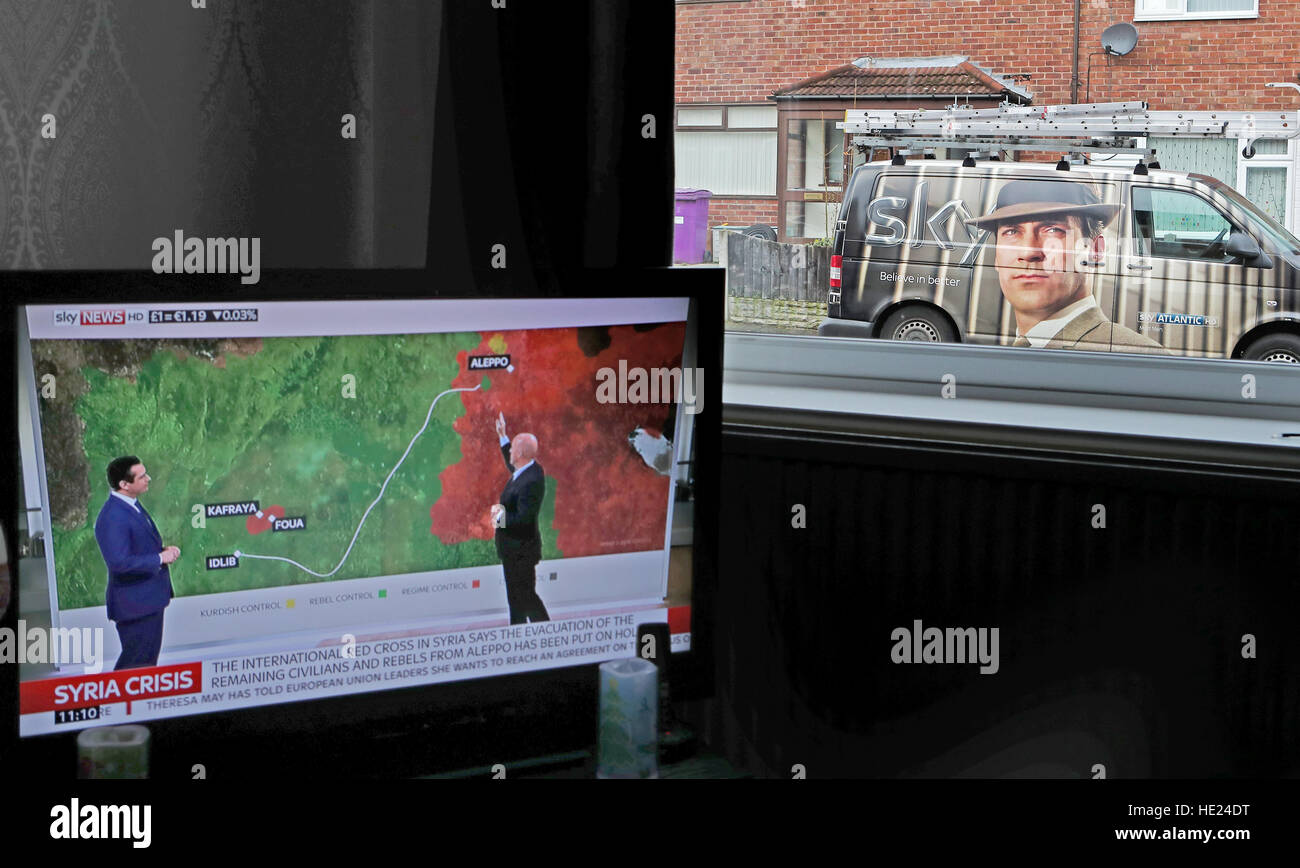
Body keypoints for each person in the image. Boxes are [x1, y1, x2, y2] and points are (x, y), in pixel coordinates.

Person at [967, 179, 1164, 352]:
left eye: (1053, 230)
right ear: (997, 257)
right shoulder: (1007, 357)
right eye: (1011, 232)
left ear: (1095, 251)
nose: (1028, 252)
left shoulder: (1142, 357)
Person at [94, 456, 177, 670]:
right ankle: (117, 702)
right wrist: (159, 558)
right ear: (124, 484)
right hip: (135, 605)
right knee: (136, 665)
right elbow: (119, 563)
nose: (148, 479)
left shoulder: (130, 506)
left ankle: (134, 702)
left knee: (145, 663)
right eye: (142, 476)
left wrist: (160, 551)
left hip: (146, 601)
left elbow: (135, 547)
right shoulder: (113, 516)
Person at [490, 413, 550, 624]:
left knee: (524, 598)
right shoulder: (528, 470)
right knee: (517, 600)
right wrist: (503, 436)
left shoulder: (531, 481)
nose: (510, 453)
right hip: (514, 551)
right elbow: (512, 463)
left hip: (521, 551)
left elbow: (524, 519)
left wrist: (498, 517)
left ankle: (546, 633)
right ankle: (519, 639)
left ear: (522, 453)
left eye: (513, 448)